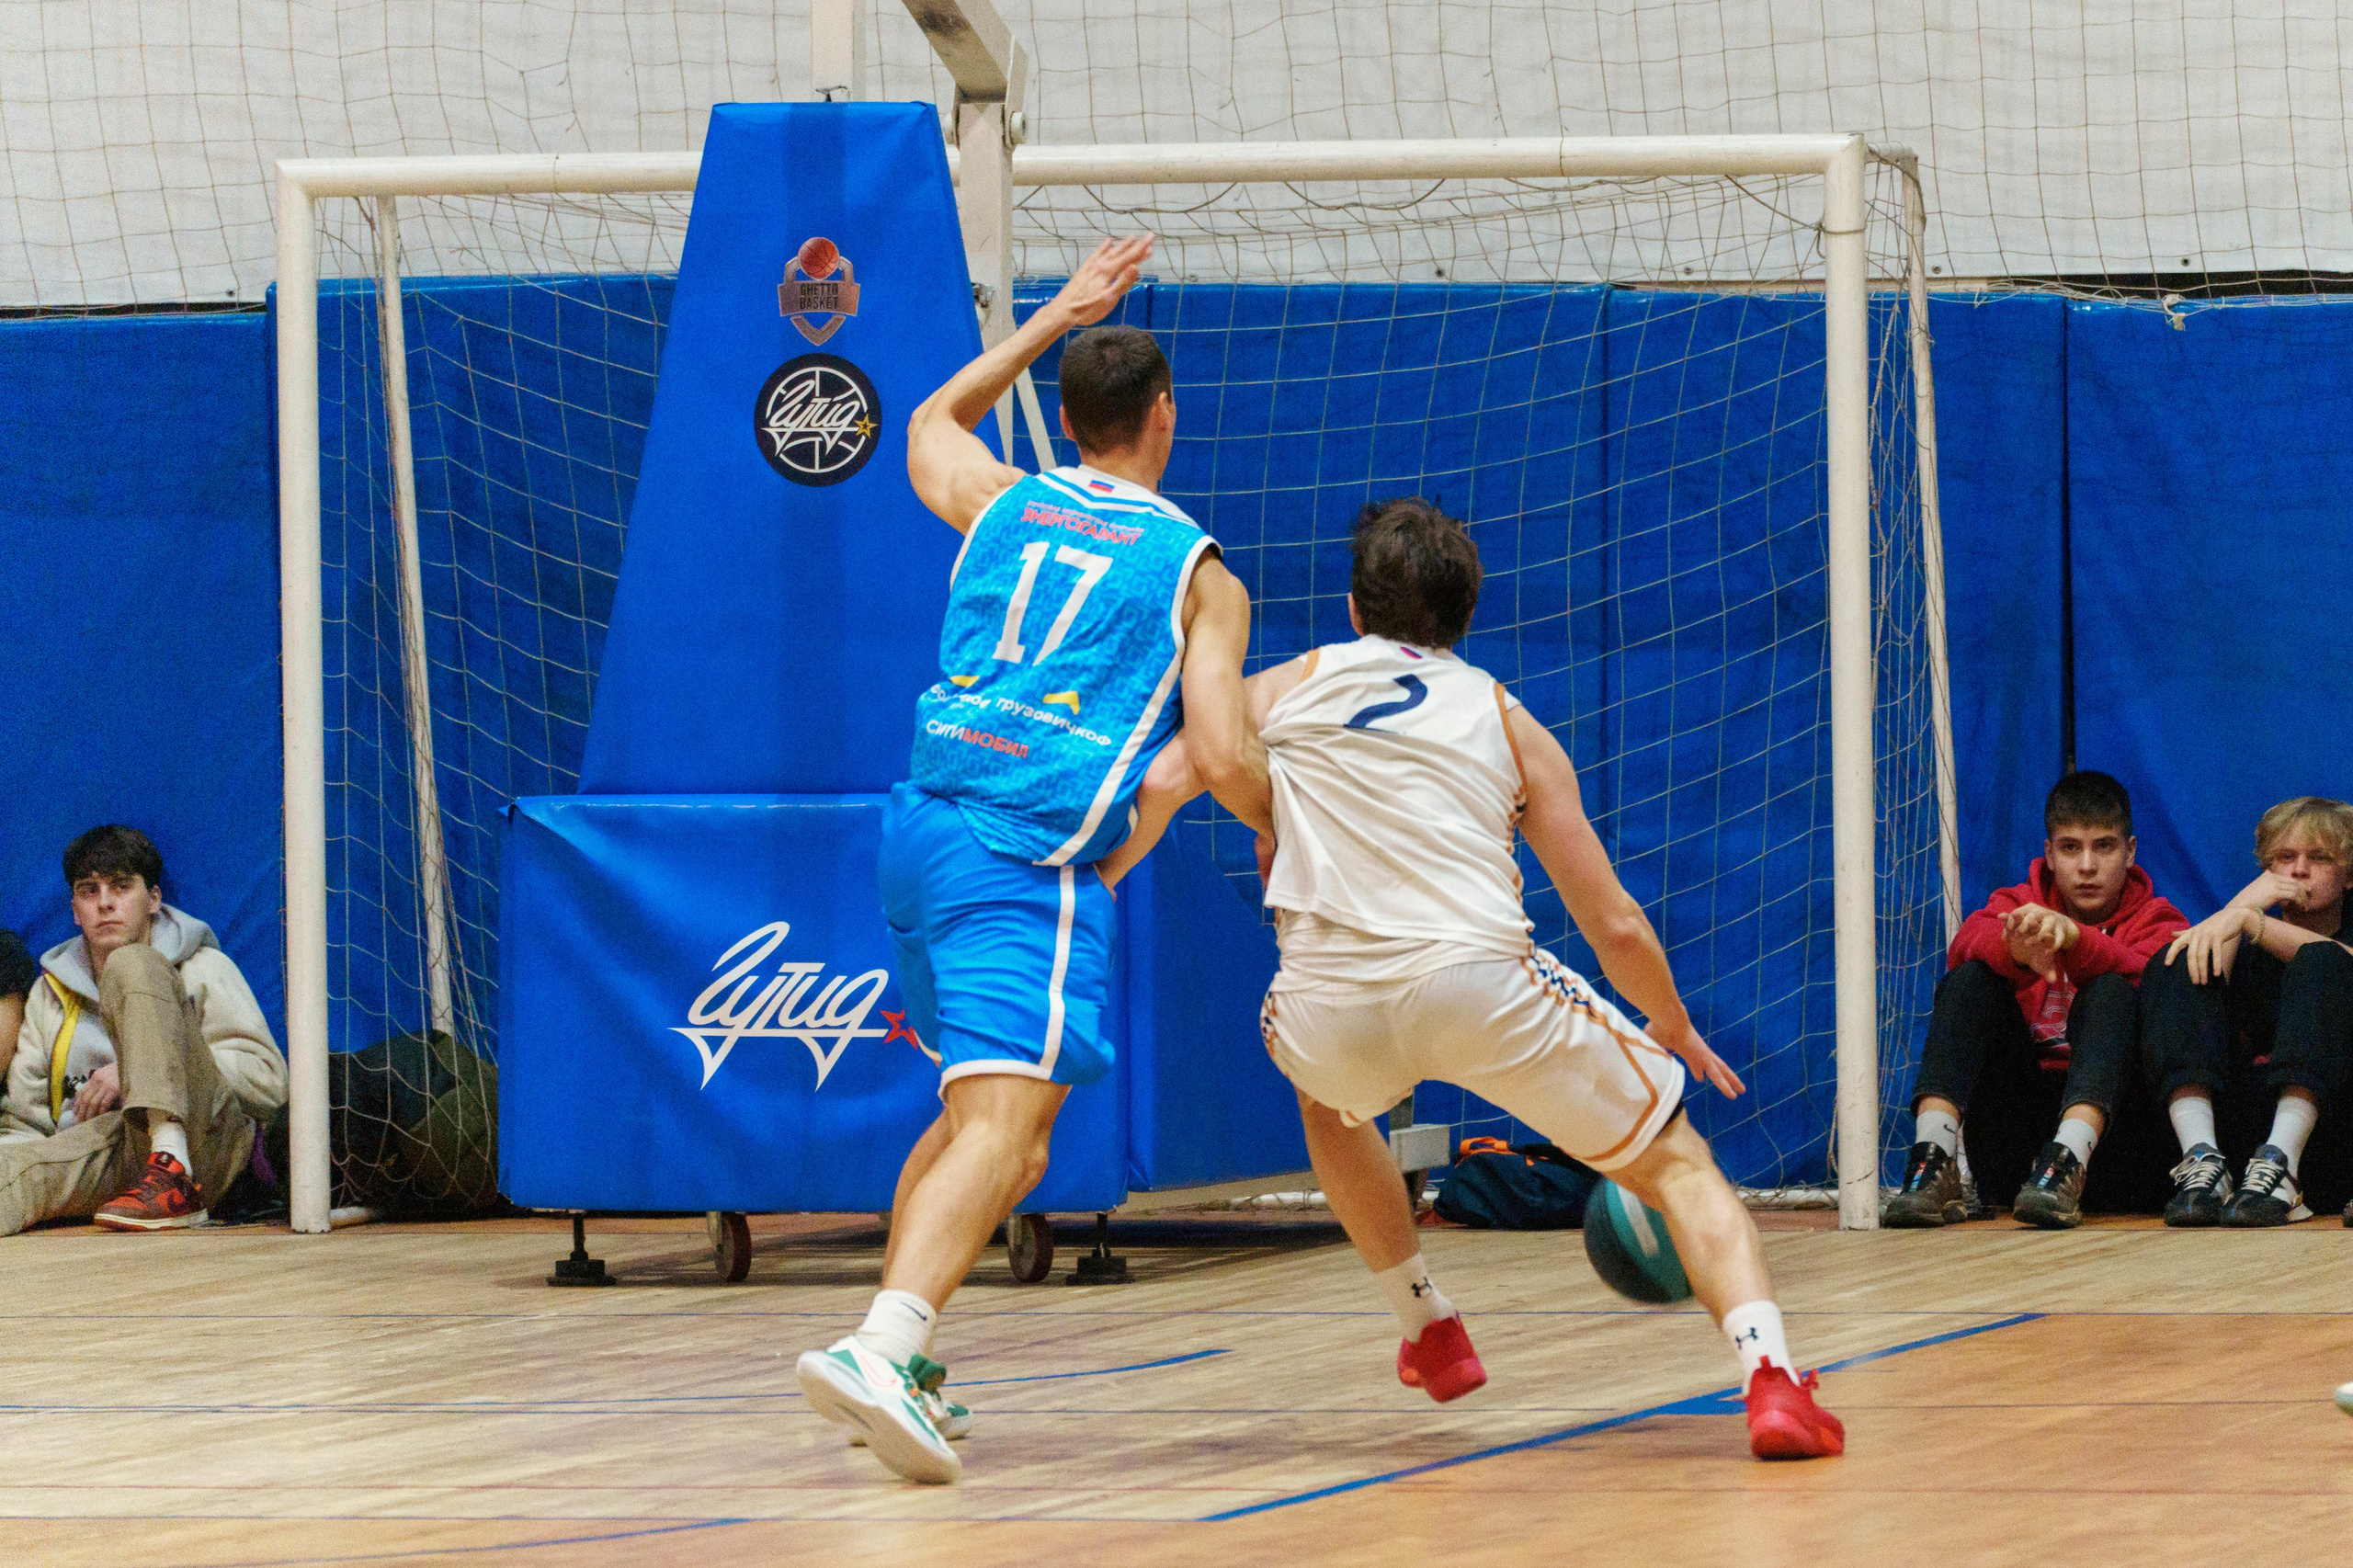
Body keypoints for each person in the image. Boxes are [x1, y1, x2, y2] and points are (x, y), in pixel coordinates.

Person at [1146, 497, 1843, 1460]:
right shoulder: (1508, 720)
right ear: (1466, 616)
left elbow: (1166, 782)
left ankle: (1426, 1320)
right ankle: (1771, 1378)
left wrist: (1087, 874)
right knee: (1678, 1161)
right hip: (1478, 985)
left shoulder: (1281, 689)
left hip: (1327, 1002)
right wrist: (1671, 1023)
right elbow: (1612, 921)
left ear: (1353, 608)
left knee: (1327, 1101)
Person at [795, 235, 1270, 1485]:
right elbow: (1219, 752)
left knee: (984, 1120)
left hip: (921, 828)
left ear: (1064, 414)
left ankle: (907, 1347)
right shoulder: (1198, 571)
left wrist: (1052, 314)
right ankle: (882, 1344)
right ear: (1164, 416)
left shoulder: (1004, 497)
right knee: (1008, 1134)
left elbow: (931, 419)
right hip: (1025, 854)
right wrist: (1278, 819)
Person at [1884, 772, 2186, 1229]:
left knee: (2110, 991)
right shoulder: (2019, 904)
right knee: (1970, 978)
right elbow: (1965, 944)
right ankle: (1933, 1158)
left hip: (2119, 1150)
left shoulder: (2160, 920)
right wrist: (2014, 952)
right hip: (2019, 1155)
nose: (2087, 866)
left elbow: (2159, 987)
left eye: (2103, 847)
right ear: (2048, 853)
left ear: (2130, 852)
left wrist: (2077, 941)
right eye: (2070, 848)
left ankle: (2068, 1157)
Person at [0, 825, 284, 1235]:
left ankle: (172, 1165)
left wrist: (136, 1072)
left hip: (207, 1145)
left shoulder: (203, 968)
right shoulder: (49, 993)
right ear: (75, 909)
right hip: (105, 1154)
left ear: (153, 899)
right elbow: (24, 1123)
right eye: (89, 891)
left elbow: (269, 1085)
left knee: (132, 964)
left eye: (121, 887)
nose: (105, 904)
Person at [2140, 796, 2353, 1226]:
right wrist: (2241, 907)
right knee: (2180, 959)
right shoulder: (2246, 926)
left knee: (2321, 962)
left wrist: (2253, 922)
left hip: (2330, 1132)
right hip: (2245, 1147)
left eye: (2319, 858)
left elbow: (2340, 961)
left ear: (2349, 874)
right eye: (2284, 858)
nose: (2298, 871)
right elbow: (2199, 969)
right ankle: (2201, 1163)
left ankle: (2284, 1164)